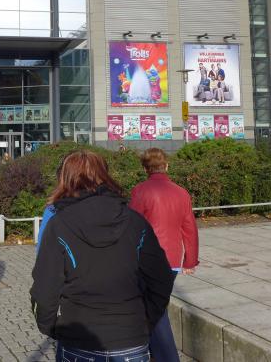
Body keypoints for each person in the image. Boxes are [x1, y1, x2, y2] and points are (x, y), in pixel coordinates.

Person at [31, 150, 175, 362]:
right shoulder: (135, 221)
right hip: (130, 338)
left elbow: (44, 290)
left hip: (79, 340)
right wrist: (146, 321)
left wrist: (51, 327)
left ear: (64, 179)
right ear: (105, 175)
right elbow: (162, 279)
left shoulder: (58, 225)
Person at [129, 148, 199, 362]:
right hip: (172, 260)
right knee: (154, 307)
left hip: (147, 260)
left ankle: (166, 357)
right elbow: (189, 228)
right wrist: (190, 260)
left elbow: (131, 227)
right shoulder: (181, 192)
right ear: (167, 166)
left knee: (155, 311)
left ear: (145, 169)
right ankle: (154, 354)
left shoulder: (140, 191)